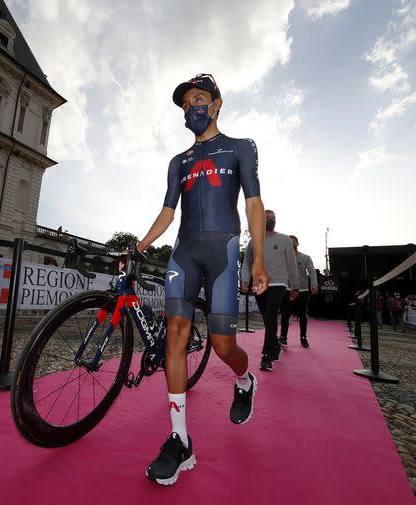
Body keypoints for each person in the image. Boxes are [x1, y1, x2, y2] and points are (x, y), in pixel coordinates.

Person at [136, 73, 269, 486]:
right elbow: (167, 213)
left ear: (216, 103)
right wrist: (139, 246)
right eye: (184, 104)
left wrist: (258, 260)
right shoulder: (178, 161)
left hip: (225, 250)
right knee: (175, 331)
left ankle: (245, 381)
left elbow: (254, 204)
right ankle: (180, 441)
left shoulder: (241, 148)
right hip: (184, 250)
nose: (190, 108)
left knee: (222, 344)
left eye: (197, 99)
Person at [241, 210, 299, 369]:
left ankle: (266, 356)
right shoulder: (253, 241)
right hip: (258, 284)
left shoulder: (285, 239)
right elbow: (247, 263)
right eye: (267, 218)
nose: (270, 220)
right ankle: (276, 346)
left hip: (278, 284)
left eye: (273, 218)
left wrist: (295, 286)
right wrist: (245, 279)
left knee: (271, 316)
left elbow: (292, 264)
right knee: (268, 320)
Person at [280, 235, 317, 348]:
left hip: (302, 290)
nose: (292, 243)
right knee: (285, 315)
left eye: (294, 242)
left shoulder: (305, 257)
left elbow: (312, 271)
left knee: (302, 315)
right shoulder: (282, 258)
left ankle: (303, 338)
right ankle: (283, 338)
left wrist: (314, 284)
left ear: (297, 243)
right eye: (290, 242)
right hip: (287, 290)